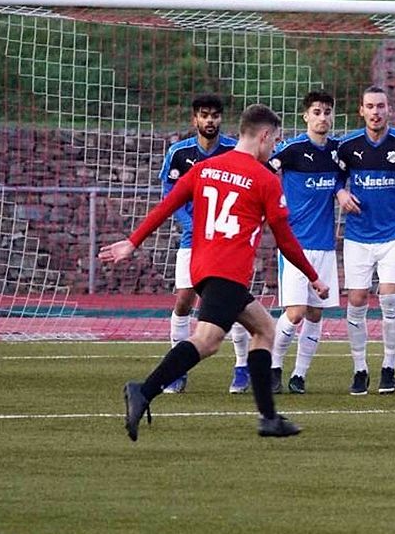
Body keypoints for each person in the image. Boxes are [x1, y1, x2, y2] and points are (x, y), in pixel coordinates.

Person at [99, 104, 329, 441]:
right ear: (263, 136)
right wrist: (313, 276)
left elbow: (167, 205)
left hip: (203, 266)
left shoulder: (206, 168)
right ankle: (143, 390)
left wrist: (133, 241)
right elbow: (285, 240)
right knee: (207, 341)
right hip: (228, 269)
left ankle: (268, 418)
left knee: (264, 328)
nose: (275, 148)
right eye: (275, 140)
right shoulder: (265, 179)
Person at [157, 94, 252, 394]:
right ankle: (177, 370)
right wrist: (194, 226)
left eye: (214, 115)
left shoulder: (234, 151)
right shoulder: (179, 153)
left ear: (221, 119)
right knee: (183, 300)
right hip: (192, 241)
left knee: (232, 303)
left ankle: (241, 367)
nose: (209, 120)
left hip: (226, 243)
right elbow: (170, 198)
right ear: (194, 119)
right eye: (204, 115)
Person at [335, 86, 395, 395]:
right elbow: (335, 177)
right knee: (356, 301)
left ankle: (389, 368)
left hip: (394, 233)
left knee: (390, 299)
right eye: (370, 106)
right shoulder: (348, 146)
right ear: (362, 110)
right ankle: (360, 369)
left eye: (381, 106)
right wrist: (340, 192)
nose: (376, 111)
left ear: (388, 109)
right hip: (358, 235)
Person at [267, 90, 341, 394]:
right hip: (295, 245)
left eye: (327, 112)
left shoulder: (338, 152)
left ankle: (299, 375)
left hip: (325, 245)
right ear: (305, 116)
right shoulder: (291, 150)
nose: (322, 117)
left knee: (315, 313)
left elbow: (344, 177)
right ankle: (273, 367)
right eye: (316, 112)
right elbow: (262, 171)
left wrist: (340, 189)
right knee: (295, 312)